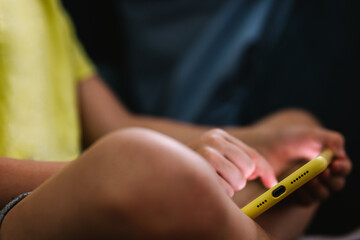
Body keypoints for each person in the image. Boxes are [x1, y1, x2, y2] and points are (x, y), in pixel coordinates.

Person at [0, 1, 351, 239]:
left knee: (296, 147)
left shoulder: (46, 9)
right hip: (20, 208)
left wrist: (254, 144)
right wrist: (139, 174)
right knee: (144, 162)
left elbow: (116, 123)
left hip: (94, 193)